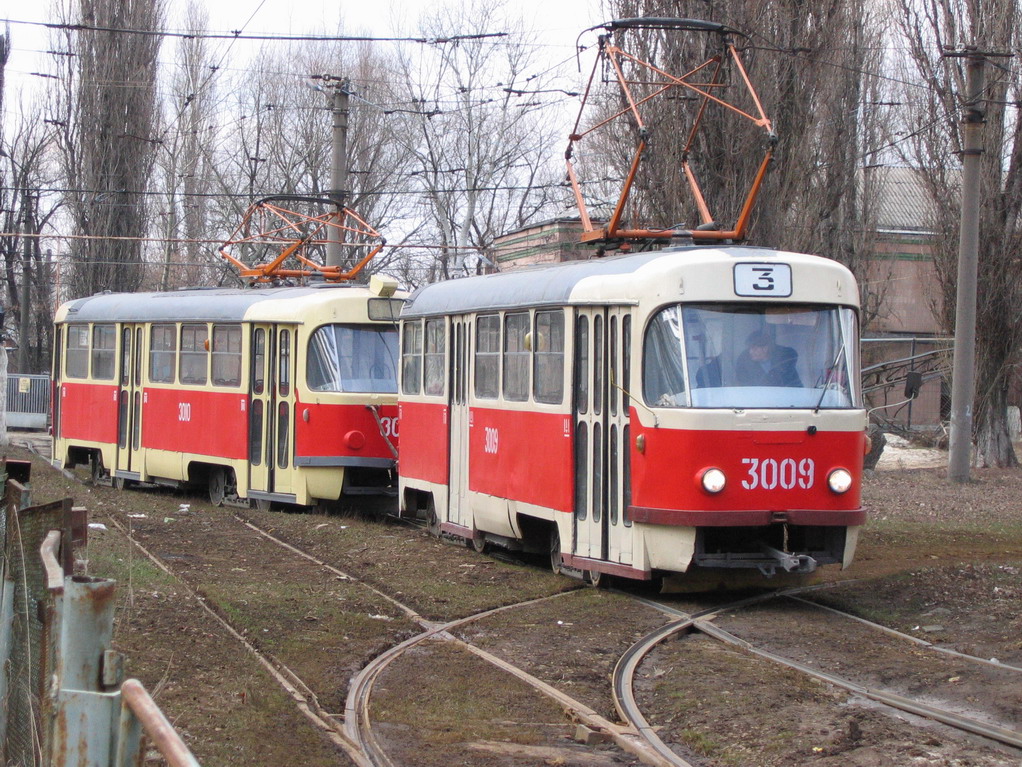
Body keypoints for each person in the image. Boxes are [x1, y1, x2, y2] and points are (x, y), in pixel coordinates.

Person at [735, 330, 801, 387]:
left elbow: (794, 386)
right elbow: (743, 386)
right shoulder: (745, 364)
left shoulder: (785, 361)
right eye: (749, 348)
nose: (750, 352)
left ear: (765, 348)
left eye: (754, 349)